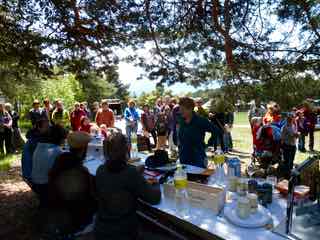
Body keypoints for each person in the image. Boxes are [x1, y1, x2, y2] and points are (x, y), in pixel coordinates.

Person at [95, 129, 161, 240]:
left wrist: (136, 174)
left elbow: (118, 182)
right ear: (127, 150)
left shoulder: (100, 170)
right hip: (123, 231)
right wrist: (156, 183)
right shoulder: (130, 173)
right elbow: (154, 198)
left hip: (101, 229)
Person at [47, 131, 96, 236]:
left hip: (57, 208)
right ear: (84, 149)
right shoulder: (81, 170)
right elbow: (89, 197)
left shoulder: (60, 159)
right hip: (74, 216)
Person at [31, 125, 67, 207]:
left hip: (35, 183)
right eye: (64, 139)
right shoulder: (57, 151)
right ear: (60, 139)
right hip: (45, 186)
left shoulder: (39, 146)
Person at [178, 97, 216, 168]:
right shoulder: (181, 120)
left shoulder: (200, 120)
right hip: (183, 157)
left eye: (182, 109)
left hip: (198, 158)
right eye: (180, 109)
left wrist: (209, 143)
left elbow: (216, 131)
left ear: (190, 109)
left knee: (199, 178)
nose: (180, 112)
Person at [281, 114, 299, 178]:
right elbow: (283, 137)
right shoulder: (285, 127)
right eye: (290, 119)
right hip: (287, 145)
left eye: (292, 118)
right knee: (287, 161)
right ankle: (286, 175)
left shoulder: (293, 125)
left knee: (291, 160)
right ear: (288, 120)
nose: (292, 119)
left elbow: (295, 135)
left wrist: (297, 135)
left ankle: (290, 173)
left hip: (293, 145)